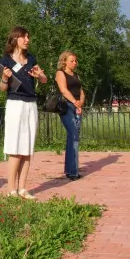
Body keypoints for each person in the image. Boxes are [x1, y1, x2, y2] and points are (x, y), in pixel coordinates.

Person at [0, 26, 47, 199]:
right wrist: (5, 77)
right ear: (15, 39)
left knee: (27, 148)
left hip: (31, 104)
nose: (27, 40)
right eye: (24, 37)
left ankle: (23, 188)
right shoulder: (4, 61)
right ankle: (11, 189)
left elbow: (44, 78)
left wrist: (40, 76)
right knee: (15, 147)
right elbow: (3, 87)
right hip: (15, 104)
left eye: (28, 37)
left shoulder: (31, 59)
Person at [55, 51, 85, 181]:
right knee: (74, 136)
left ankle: (69, 169)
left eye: (75, 61)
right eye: (72, 60)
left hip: (77, 107)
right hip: (67, 106)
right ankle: (73, 172)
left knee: (72, 138)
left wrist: (80, 104)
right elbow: (63, 90)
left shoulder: (77, 75)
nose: (74, 63)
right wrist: (74, 102)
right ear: (64, 61)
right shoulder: (60, 73)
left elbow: (82, 92)